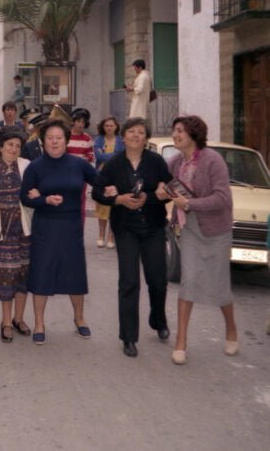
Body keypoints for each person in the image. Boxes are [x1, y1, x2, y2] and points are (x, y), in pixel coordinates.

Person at [157, 115, 237, 365]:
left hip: (216, 231)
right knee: (188, 281)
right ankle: (181, 341)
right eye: (174, 130)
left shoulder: (213, 161)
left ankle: (231, 329)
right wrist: (161, 192)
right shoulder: (174, 162)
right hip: (189, 228)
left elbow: (223, 199)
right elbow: (163, 187)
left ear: (193, 134)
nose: (175, 135)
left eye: (180, 131)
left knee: (218, 284)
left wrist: (189, 203)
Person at [92, 117, 172, 358]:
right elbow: (97, 191)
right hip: (126, 229)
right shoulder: (114, 164)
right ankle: (128, 337)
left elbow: (169, 189)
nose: (136, 136)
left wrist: (153, 196)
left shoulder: (156, 161)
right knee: (129, 282)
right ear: (123, 137)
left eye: (141, 133)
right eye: (132, 132)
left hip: (154, 227)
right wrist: (119, 200)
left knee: (157, 279)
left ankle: (158, 320)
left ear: (145, 138)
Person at [20, 119, 97, 345]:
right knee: (41, 272)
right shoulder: (35, 167)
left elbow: (100, 183)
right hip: (45, 226)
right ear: (43, 141)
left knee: (75, 273)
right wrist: (44, 200)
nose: (55, 142)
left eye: (59, 138)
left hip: (71, 225)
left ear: (66, 140)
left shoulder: (78, 164)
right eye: (50, 138)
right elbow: (25, 197)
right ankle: (39, 323)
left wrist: (112, 189)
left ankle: (80, 318)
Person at [0, 129, 33, 342]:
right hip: (2, 230)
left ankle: (18, 318)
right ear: (0, 146)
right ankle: (5, 321)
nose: (13, 149)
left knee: (23, 275)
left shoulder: (27, 166)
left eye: (17, 146)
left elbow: (37, 189)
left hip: (24, 229)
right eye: (9, 145)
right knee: (6, 276)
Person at [93, 116, 125, 249]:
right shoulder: (99, 139)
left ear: (116, 126)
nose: (109, 128)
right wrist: (113, 156)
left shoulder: (121, 140)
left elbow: (122, 155)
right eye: (107, 125)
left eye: (112, 125)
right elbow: (98, 156)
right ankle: (101, 236)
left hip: (117, 177)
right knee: (102, 206)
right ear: (103, 127)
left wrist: (106, 155)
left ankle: (111, 237)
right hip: (102, 176)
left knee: (113, 206)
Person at [67, 108, 95, 223]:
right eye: (78, 121)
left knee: (80, 201)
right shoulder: (66, 135)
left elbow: (91, 155)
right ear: (73, 121)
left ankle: (80, 226)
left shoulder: (87, 138)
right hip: (66, 173)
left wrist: (81, 160)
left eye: (83, 122)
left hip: (80, 174)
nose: (80, 124)